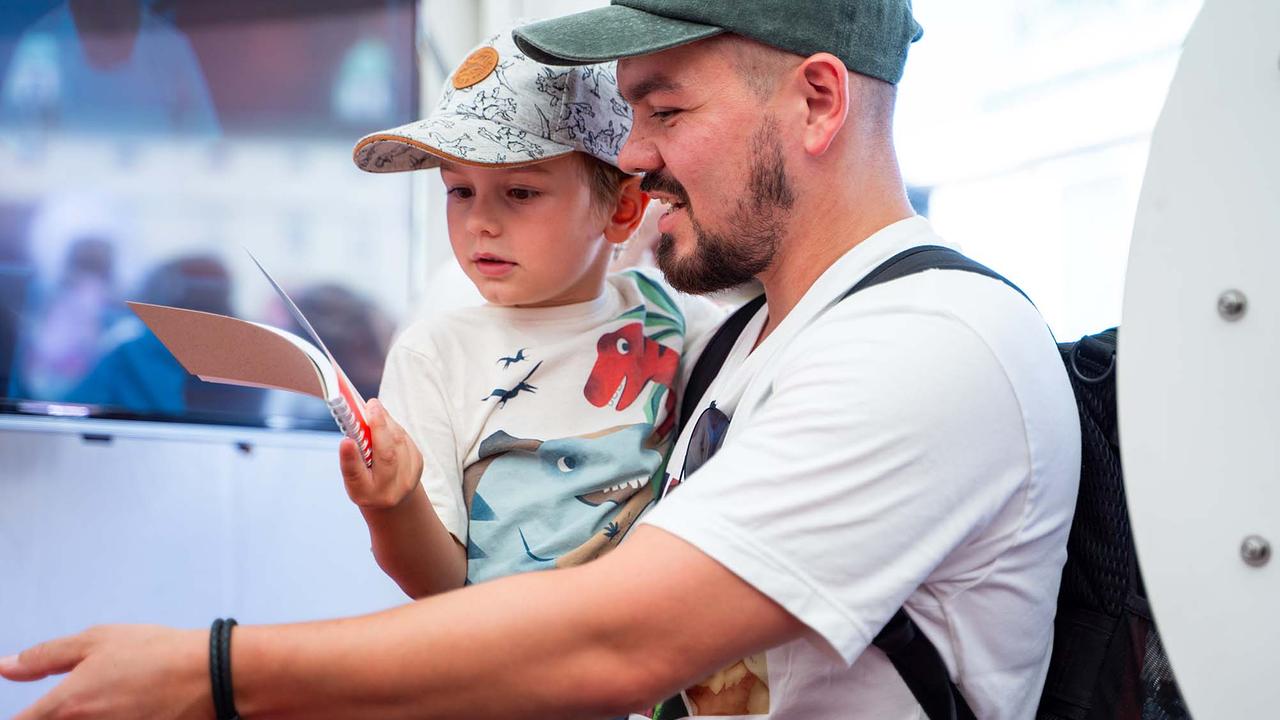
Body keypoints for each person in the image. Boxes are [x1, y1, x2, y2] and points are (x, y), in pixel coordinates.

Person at [0, 2, 1082, 719]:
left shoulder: (927, 346)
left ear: (815, 99)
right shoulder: (750, 341)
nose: (638, 158)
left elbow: (621, 638)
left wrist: (215, 673)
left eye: (663, 111)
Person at [341, 29, 721, 594]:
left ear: (620, 210)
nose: (479, 223)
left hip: (651, 657)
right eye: (459, 192)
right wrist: (391, 506)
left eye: (519, 192)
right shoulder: (433, 355)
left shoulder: (671, 313)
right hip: (505, 664)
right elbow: (439, 588)